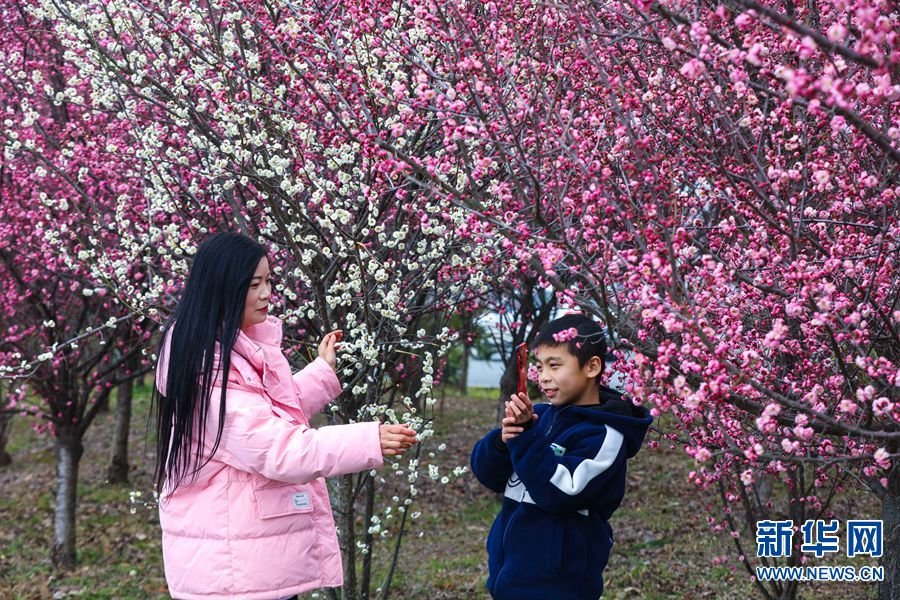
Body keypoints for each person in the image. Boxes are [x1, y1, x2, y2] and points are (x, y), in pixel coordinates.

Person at [153, 232, 417, 600]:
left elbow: (263, 412)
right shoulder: (207, 375)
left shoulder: (228, 348)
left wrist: (321, 374)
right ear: (222, 289)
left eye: (268, 281)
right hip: (233, 573)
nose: (266, 294)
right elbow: (278, 448)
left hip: (245, 560)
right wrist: (366, 440)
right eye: (253, 284)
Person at [470, 314, 653, 599]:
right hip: (510, 576)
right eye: (540, 366)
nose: (543, 377)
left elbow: (560, 492)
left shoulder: (604, 436)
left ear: (592, 367)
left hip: (559, 584)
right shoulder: (539, 417)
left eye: (555, 365)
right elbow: (489, 476)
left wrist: (528, 438)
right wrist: (502, 443)